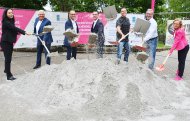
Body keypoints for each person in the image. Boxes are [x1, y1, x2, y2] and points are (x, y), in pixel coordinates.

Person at [0, 8, 30, 80]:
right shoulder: (6, 22)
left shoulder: (10, 21)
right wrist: (24, 32)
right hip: (5, 43)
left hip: (8, 42)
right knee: (8, 59)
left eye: (11, 13)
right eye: (9, 13)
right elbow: (14, 28)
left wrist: (18, 33)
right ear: (6, 14)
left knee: (8, 58)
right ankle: (9, 75)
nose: (11, 14)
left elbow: (11, 30)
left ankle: (6, 70)